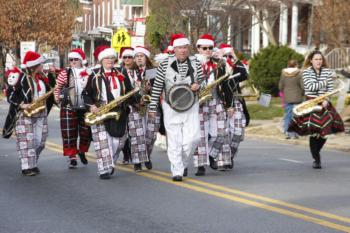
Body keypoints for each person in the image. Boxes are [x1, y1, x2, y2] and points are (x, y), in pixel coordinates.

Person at [148, 33, 204, 181]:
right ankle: (177, 170)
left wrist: (198, 85)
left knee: (193, 138)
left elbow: (202, 82)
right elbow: (157, 86)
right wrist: (153, 107)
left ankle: (182, 164)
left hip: (191, 104)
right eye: (180, 47)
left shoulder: (195, 63)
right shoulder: (165, 64)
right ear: (174, 49)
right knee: (174, 140)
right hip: (171, 105)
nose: (183, 50)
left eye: (185, 47)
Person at [82, 46, 139, 179]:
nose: (109, 60)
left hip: (120, 111)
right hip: (101, 111)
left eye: (112, 58)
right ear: (101, 60)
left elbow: (129, 92)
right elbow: (86, 94)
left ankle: (110, 162)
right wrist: (91, 106)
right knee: (103, 142)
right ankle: (103, 170)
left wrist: (138, 101)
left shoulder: (122, 73)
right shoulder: (94, 75)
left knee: (119, 142)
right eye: (107, 58)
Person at [288, 50, 344, 169]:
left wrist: (326, 99)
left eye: (320, 59)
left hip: (324, 103)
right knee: (314, 132)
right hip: (311, 103)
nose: (319, 61)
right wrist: (326, 81)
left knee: (325, 133)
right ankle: (316, 159)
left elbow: (330, 89)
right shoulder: (306, 72)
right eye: (316, 59)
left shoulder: (327, 72)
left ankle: (316, 153)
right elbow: (311, 87)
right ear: (311, 61)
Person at [3, 51, 55, 176]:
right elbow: (9, 94)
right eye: (40, 63)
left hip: (41, 111)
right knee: (26, 141)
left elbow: (50, 92)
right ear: (34, 65)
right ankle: (27, 166)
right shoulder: (20, 77)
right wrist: (21, 104)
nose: (43, 65)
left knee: (40, 142)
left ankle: (33, 162)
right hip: (24, 113)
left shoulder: (42, 77)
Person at [193, 34, 231, 176]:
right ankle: (200, 165)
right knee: (200, 135)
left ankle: (211, 154)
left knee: (222, 132)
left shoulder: (218, 63)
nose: (208, 50)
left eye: (210, 48)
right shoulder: (191, 63)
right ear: (198, 48)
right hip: (199, 102)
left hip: (216, 99)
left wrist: (230, 104)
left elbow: (226, 82)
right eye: (204, 48)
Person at [54, 48, 91, 168]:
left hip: (85, 107)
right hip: (68, 106)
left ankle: (82, 151)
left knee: (86, 133)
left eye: (76, 59)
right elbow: (58, 87)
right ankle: (72, 157)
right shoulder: (65, 72)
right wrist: (57, 98)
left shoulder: (88, 72)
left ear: (81, 60)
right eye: (71, 59)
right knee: (70, 133)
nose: (73, 61)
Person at [218, 44, 249, 168]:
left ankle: (230, 155)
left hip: (235, 102)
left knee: (237, 133)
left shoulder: (235, 67)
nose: (227, 58)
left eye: (228, 55)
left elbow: (244, 75)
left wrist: (234, 57)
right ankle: (224, 160)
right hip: (221, 102)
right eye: (225, 55)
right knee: (223, 134)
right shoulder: (217, 66)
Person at [279, 59, 304, 139]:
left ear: (288, 65)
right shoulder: (299, 73)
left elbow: (280, 86)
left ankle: (287, 132)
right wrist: (302, 93)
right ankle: (295, 133)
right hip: (297, 97)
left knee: (288, 115)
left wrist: (284, 92)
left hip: (287, 98)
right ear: (296, 65)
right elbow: (303, 86)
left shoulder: (283, 74)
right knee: (297, 116)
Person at [119, 47, 135, 165]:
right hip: (125, 104)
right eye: (125, 57)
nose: (128, 59)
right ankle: (126, 154)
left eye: (130, 57)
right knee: (125, 132)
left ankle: (137, 156)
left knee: (134, 133)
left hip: (137, 104)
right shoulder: (118, 70)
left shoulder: (138, 70)